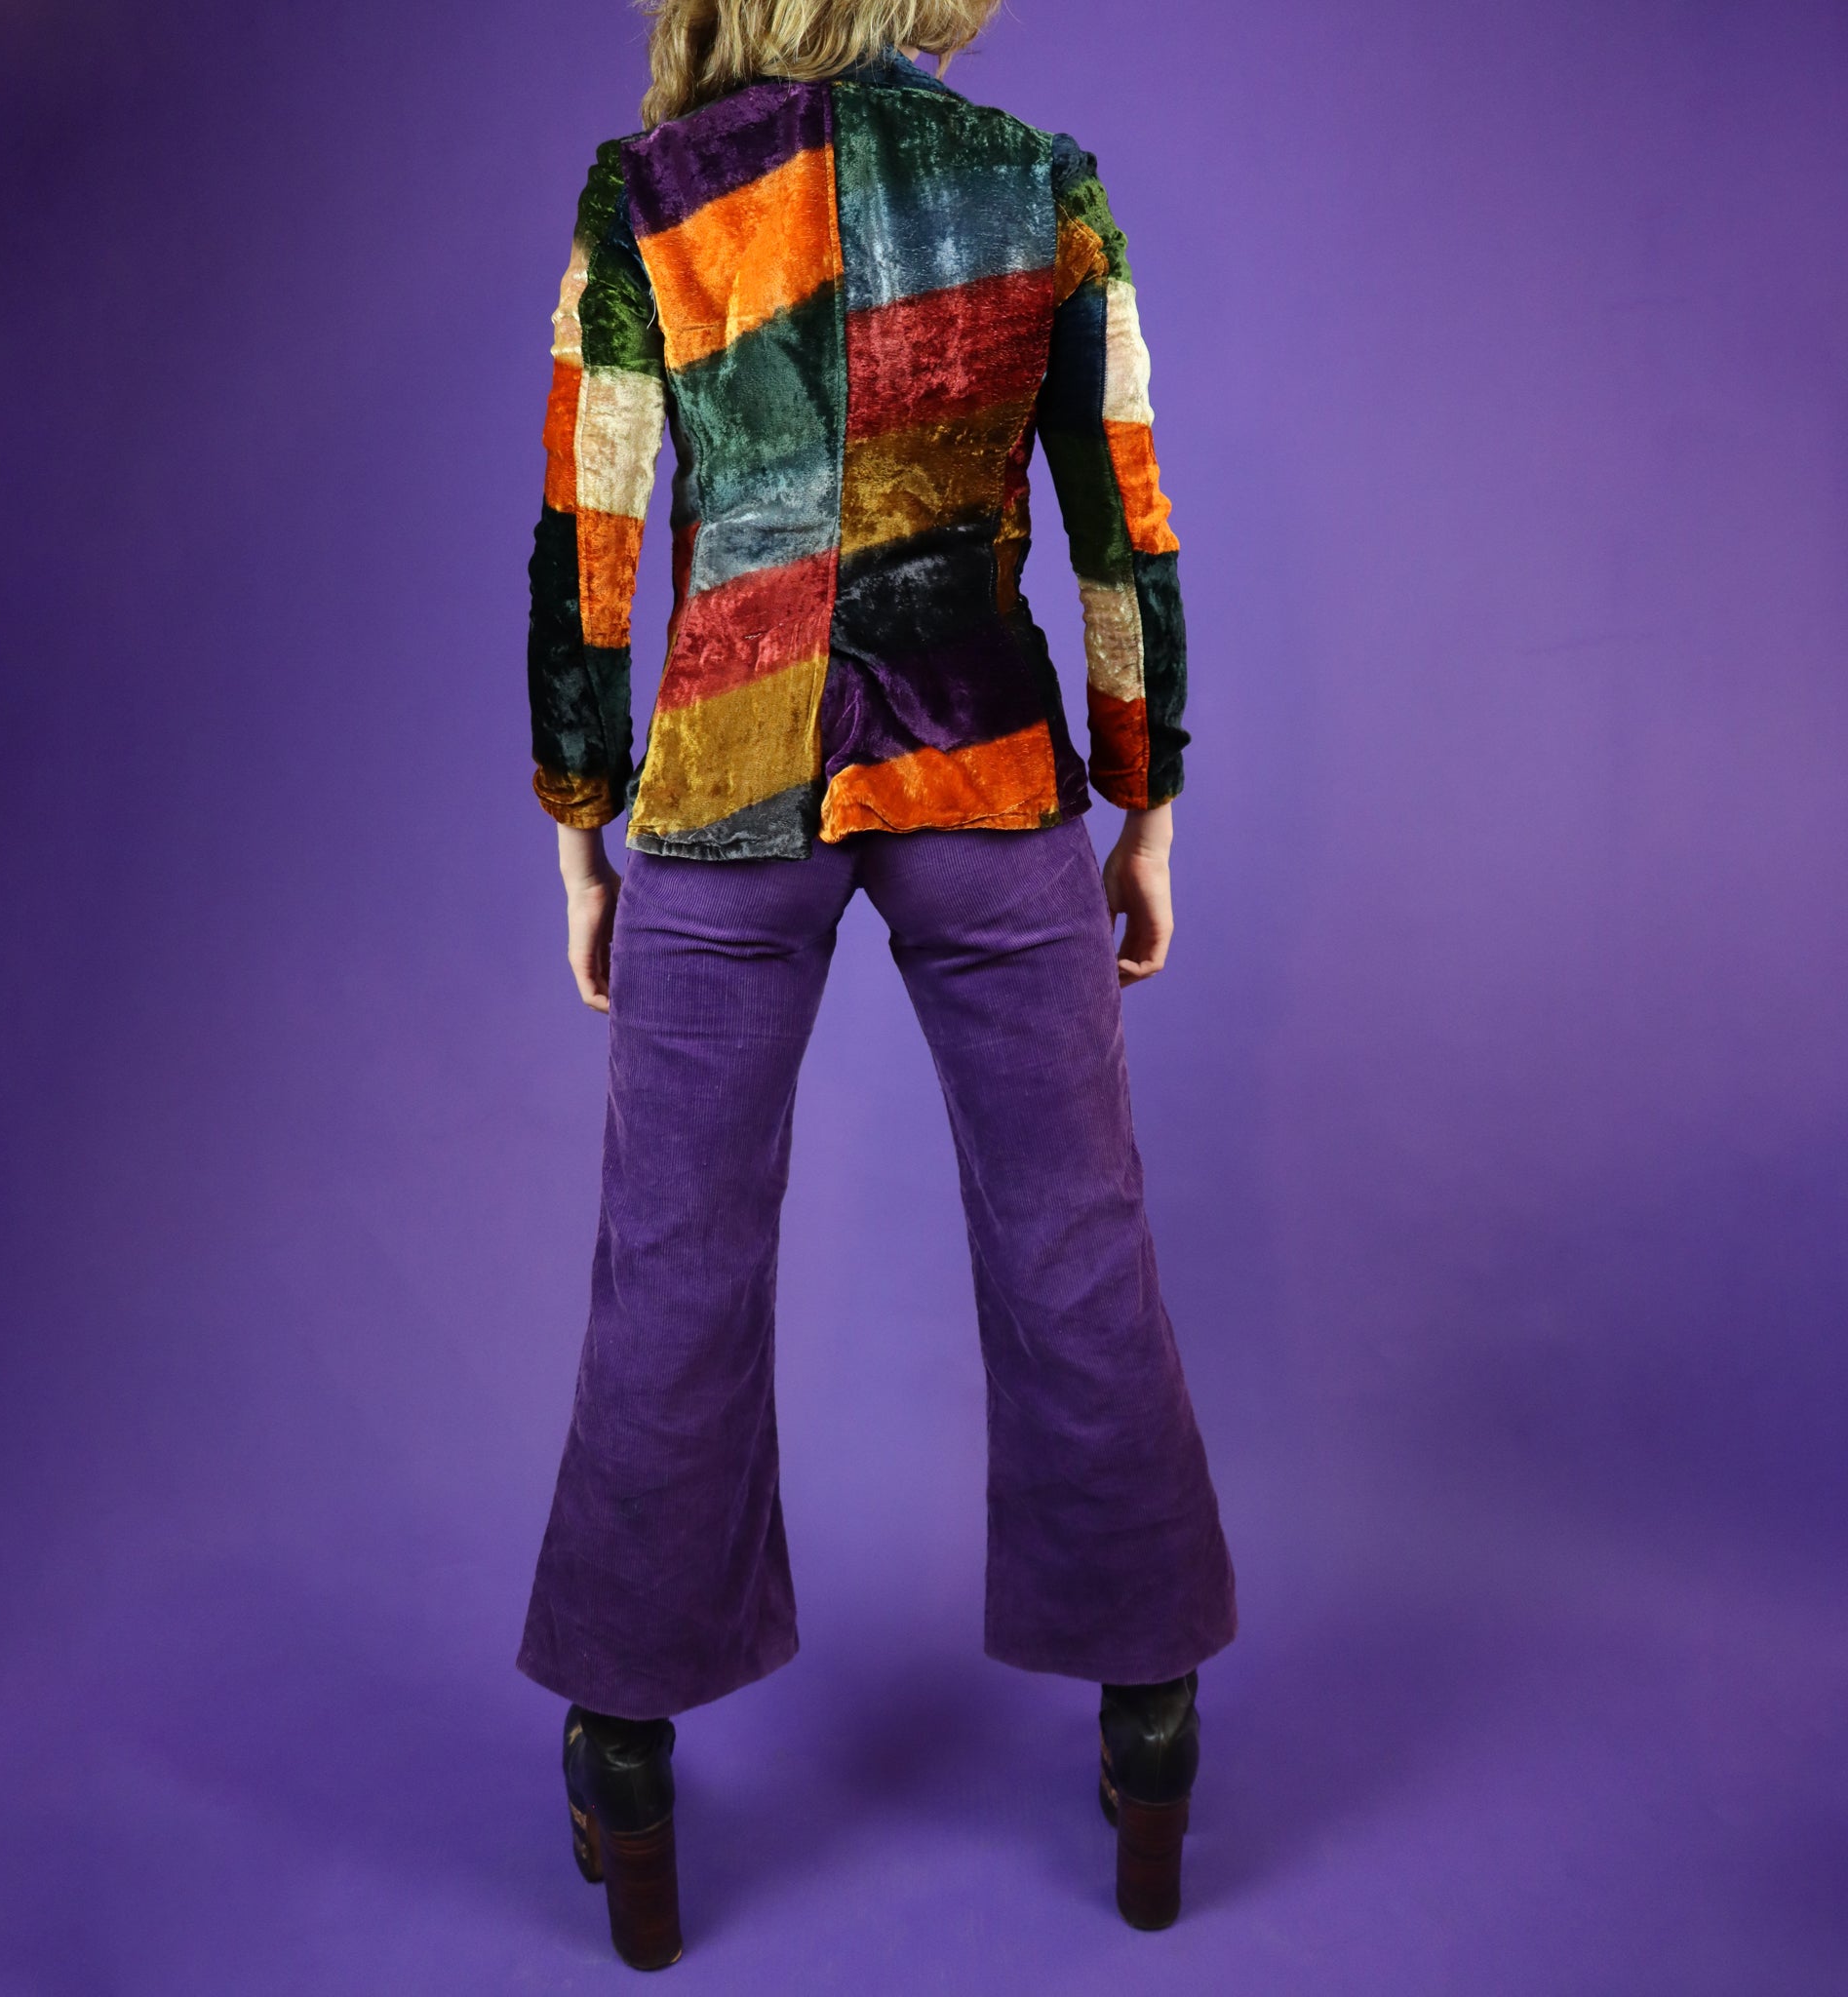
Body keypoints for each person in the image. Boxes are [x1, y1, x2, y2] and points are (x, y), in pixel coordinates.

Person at [517, 0, 1237, 1966]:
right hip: (979, 759)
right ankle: (1151, 1729)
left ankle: (625, 1756)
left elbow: (593, 530)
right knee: (1076, 1240)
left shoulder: (646, 199)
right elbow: (1123, 512)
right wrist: (1146, 802)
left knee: (673, 1263)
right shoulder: (1037, 185)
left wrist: (579, 820)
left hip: (726, 768)